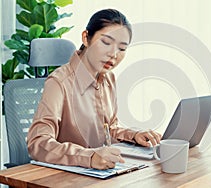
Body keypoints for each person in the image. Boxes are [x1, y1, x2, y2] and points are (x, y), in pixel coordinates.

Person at [27, 8, 161, 170]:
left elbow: (106, 130)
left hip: (100, 175)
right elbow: (38, 143)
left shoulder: (108, 78)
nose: (113, 54)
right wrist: (88, 157)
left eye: (122, 48)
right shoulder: (59, 82)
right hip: (64, 178)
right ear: (86, 38)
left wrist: (134, 136)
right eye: (106, 42)